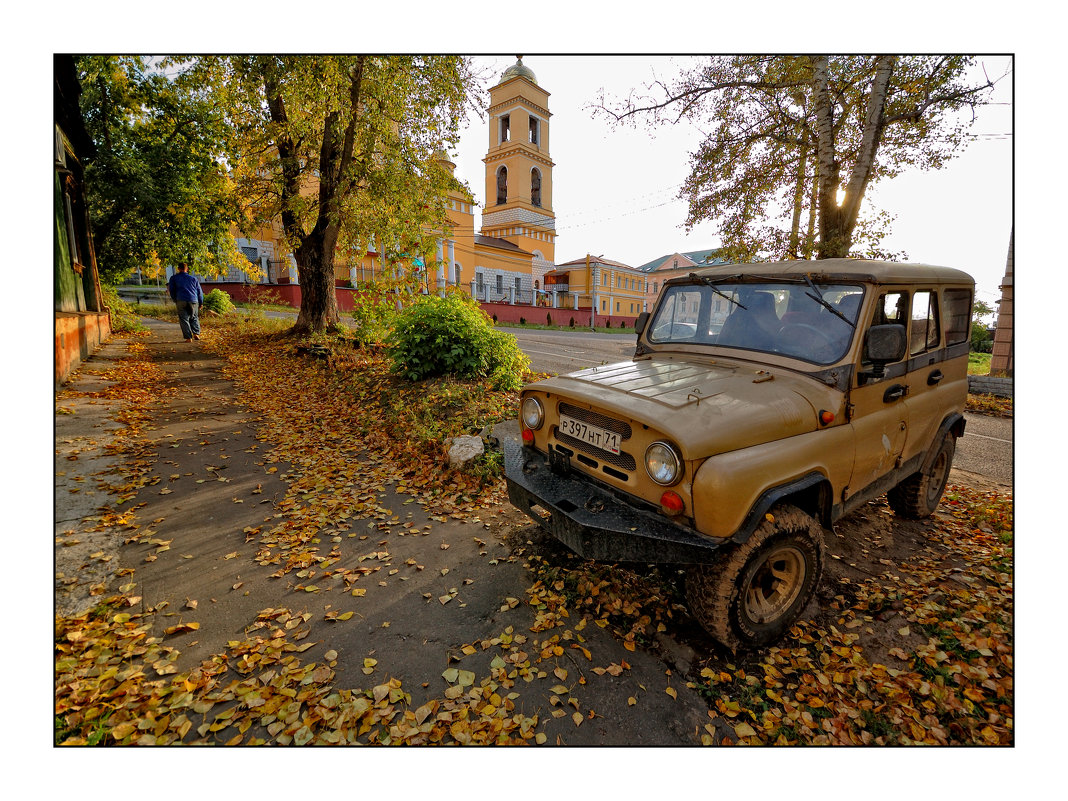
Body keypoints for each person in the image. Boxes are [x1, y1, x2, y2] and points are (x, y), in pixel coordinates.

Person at [167, 262, 204, 342]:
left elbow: (172, 290)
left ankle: (188, 338)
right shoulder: (193, 279)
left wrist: (175, 299)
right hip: (193, 300)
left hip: (181, 299)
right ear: (187, 269)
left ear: (178, 268)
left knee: (183, 319)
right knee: (194, 317)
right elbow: (199, 292)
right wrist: (201, 302)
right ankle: (196, 334)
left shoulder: (174, 278)